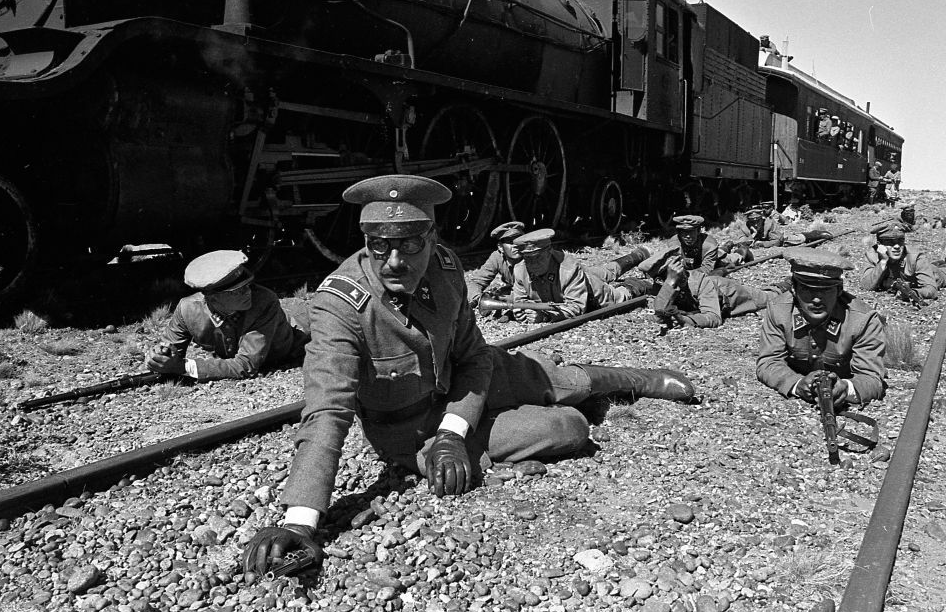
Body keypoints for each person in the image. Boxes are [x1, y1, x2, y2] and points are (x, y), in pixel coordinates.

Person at [242, 175, 695, 574]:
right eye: (379, 245)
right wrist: (300, 520)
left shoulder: (445, 268)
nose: (394, 260)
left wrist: (454, 432)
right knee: (569, 427)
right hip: (410, 426)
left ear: (432, 237)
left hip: (466, 375)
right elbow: (327, 410)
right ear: (366, 241)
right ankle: (552, 407)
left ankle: (636, 380)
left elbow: (474, 356)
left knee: (559, 380)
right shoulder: (338, 305)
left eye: (409, 244)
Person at [145, 250, 310, 381]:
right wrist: (160, 356)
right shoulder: (187, 309)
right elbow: (168, 349)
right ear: (212, 297)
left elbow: (245, 366)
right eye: (238, 291)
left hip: (296, 340)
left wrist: (183, 367)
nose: (248, 292)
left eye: (248, 285)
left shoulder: (264, 302)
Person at [756, 248, 886, 406]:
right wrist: (797, 384)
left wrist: (846, 389)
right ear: (794, 289)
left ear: (839, 290)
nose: (817, 300)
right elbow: (768, 362)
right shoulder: (779, 311)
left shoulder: (863, 320)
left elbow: (872, 378)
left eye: (826, 290)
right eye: (807, 289)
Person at [509, 229, 655, 323]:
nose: (533, 263)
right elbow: (520, 300)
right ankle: (639, 255)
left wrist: (545, 316)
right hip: (582, 275)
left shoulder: (568, 269)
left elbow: (576, 307)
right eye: (528, 259)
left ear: (549, 253)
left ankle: (643, 283)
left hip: (592, 295)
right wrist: (522, 311)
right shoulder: (520, 270)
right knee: (606, 271)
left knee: (621, 296)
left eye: (537, 257)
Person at [652, 255, 791, 328]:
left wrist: (685, 320)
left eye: (681, 270)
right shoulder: (666, 286)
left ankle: (788, 283)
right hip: (718, 293)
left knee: (771, 296)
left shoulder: (700, 282)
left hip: (736, 295)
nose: (681, 276)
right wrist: (670, 283)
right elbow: (659, 315)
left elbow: (714, 318)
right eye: (674, 273)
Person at [859, 221, 946, 304]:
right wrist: (883, 261)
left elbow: (932, 291)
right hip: (921, 269)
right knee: (931, 265)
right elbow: (866, 286)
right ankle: (939, 262)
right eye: (890, 242)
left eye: (900, 241)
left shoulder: (916, 257)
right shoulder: (872, 255)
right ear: (879, 245)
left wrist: (912, 292)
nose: (897, 246)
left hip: (935, 275)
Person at [465, 220, 525, 311]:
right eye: (510, 242)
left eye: (518, 241)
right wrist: (478, 298)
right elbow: (477, 281)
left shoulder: (531, 256)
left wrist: (506, 298)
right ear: (500, 247)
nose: (515, 246)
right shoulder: (497, 257)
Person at [638, 214, 722, 278]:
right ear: (679, 233)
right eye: (684, 232)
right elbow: (671, 264)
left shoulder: (709, 245)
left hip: (715, 262)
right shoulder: (674, 243)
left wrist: (685, 274)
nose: (688, 236)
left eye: (691, 232)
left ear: (699, 231)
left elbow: (707, 269)